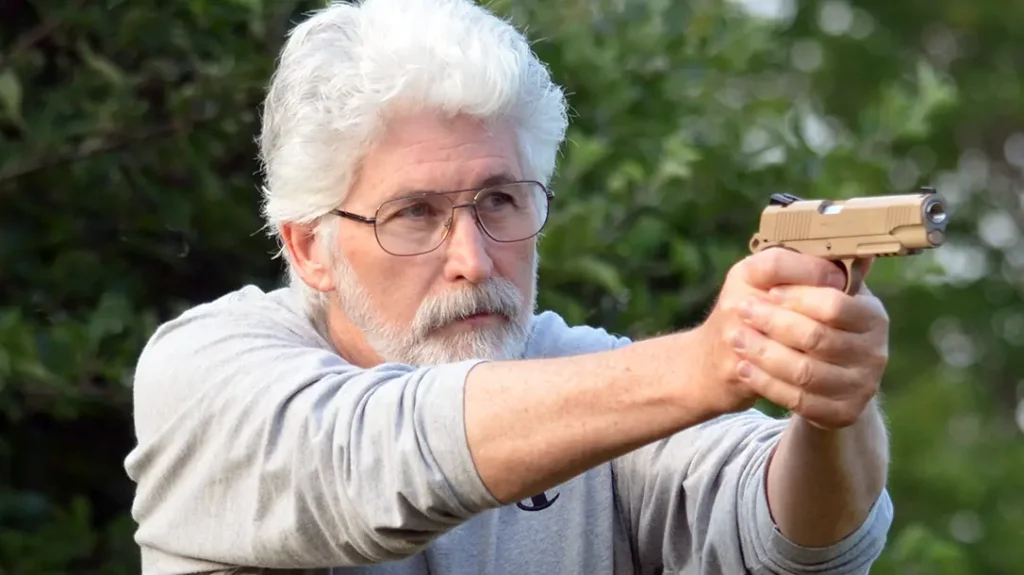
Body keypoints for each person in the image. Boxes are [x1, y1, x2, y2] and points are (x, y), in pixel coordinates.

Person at [123, 0, 895, 573]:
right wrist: (706, 365)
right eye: (414, 213)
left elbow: (802, 543)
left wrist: (829, 404)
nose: (474, 257)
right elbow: (375, 457)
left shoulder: (579, 373)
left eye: (500, 200)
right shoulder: (203, 372)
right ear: (310, 248)